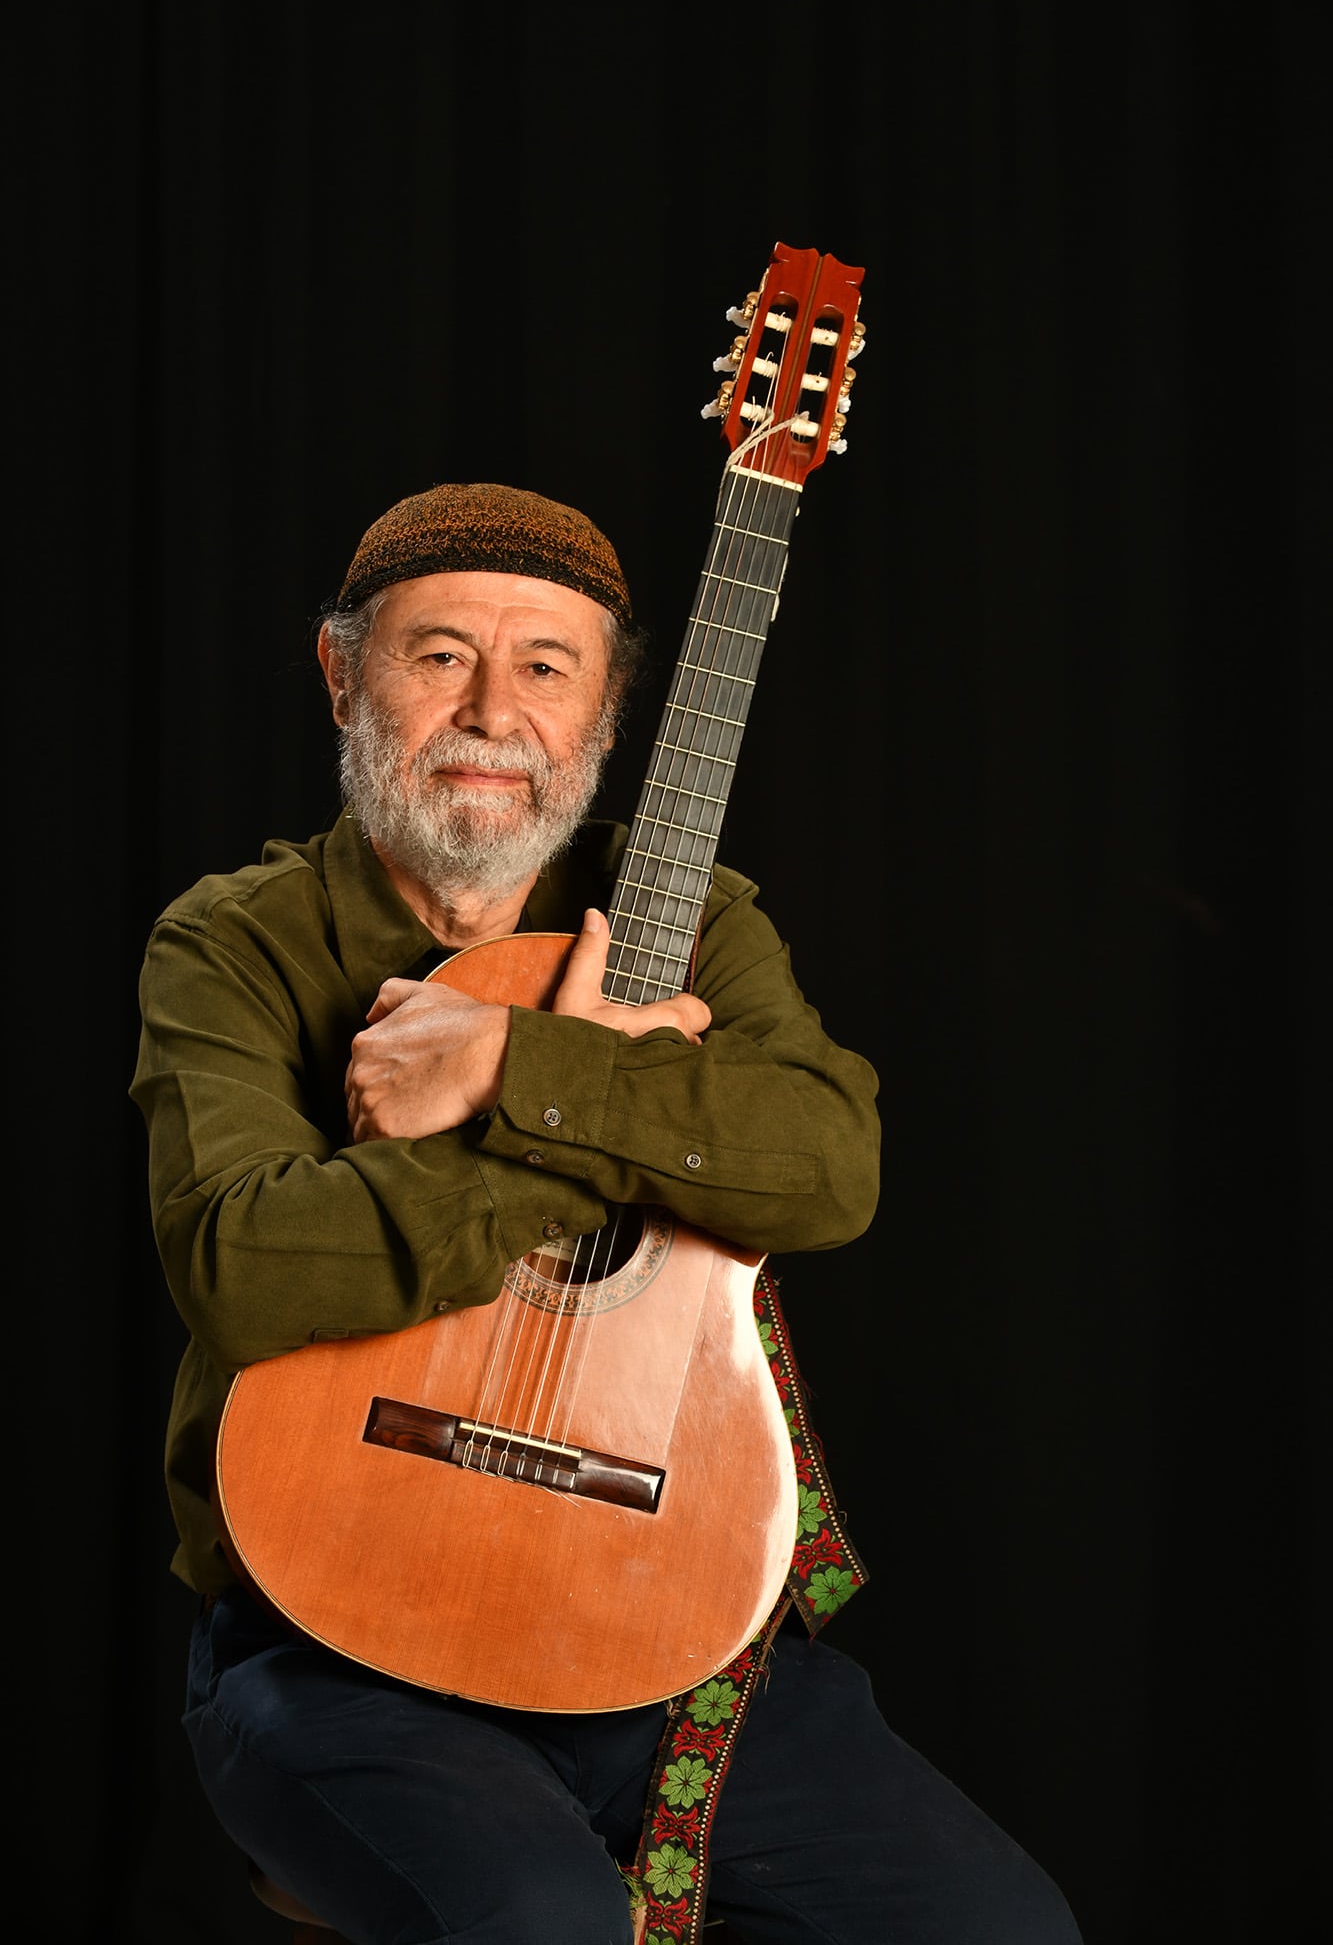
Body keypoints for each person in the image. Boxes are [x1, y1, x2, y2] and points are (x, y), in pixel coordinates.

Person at [131, 481, 1083, 1944]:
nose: (492, 710)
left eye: (546, 666)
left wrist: (509, 1061)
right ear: (342, 675)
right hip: (335, 1653)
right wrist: (608, 1119)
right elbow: (249, 1266)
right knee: (542, 1925)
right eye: (438, 652)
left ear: (609, 709)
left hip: (669, 1641)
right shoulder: (233, 942)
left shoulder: (698, 922)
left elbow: (828, 1166)